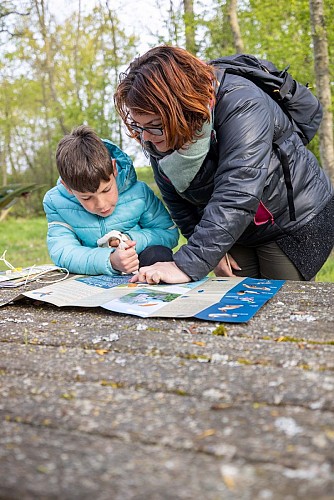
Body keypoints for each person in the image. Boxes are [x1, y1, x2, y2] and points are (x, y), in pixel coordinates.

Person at [114, 45, 334, 285]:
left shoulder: (242, 101)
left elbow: (238, 189)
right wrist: (207, 252)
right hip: (237, 224)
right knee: (237, 297)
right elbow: (177, 199)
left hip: (293, 217)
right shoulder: (154, 131)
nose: (145, 137)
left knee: (281, 301)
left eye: (155, 125)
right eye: (139, 126)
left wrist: (190, 262)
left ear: (180, 108)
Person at [43, 125, 179, 276]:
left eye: (106, 190)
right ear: (68, 187)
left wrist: (130, 239)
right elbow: (64, 252)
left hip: (140, 267)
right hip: (94, 271)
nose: (102, 204)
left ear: (114, 169)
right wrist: (110, 260)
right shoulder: (56, 202)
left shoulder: (139, 193)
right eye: (86, 197)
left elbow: (168, 233)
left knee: (158, 254)